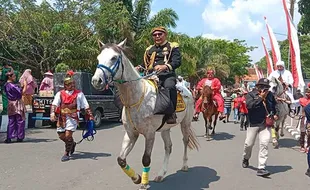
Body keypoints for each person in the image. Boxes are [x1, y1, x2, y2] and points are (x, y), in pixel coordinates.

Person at [136, 26, 181, 124]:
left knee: (170, 86)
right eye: (155, 35)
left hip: (167, 75)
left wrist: (165, 66)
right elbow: (145, 64)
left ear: (165, 35)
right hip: (151, 75)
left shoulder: (172, 46)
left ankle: (171, 113)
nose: (157, 36)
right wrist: (139, 67)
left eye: (160, 34)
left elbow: (177, 62)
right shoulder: (149, 49)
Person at [50, 70, 94, 162]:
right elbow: (54, 104)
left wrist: (90, 116)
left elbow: (86, 106)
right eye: (70, 84)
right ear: (65, 85)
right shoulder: (60, 94)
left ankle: (66, 153)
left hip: (73, 117)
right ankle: (72, 144)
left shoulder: (79, 94)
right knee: (61, 136)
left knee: (68, 135)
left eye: (73, 84)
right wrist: (52, 113)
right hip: (62, 117)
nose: (72, 86)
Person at [242, 78, 278, 177]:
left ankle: (261, 167)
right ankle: (246, 158)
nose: (264, 89)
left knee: (264, 144)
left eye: (266, 87)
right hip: (253, 123)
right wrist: (260, 98)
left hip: (265, 124)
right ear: (257, 86)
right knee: (248, 144)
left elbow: (274, 106)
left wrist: (275, 114)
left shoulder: (270, 95)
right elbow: (249, 106)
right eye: (262, 86)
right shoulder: (250, 95)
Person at [3, 71, 27, 143]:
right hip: (16, 103)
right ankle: (19, 136)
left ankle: (9, 137)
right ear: (9, 77)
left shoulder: (6, 85)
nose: (15, 77)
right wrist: (25, 85)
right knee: (20, 120)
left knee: (11, 121)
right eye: (13, 76)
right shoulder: (13, 86)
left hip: (10, 103)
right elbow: (22, 92)